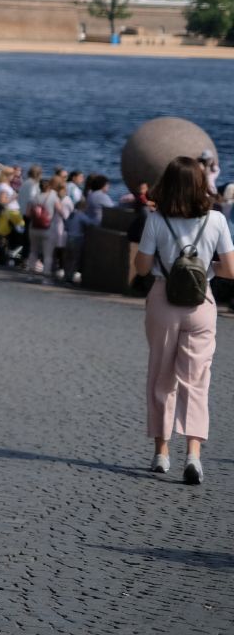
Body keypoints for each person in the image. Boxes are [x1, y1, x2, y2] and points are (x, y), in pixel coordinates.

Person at [132, 157, 234, 485]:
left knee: (162, 376)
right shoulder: (217, 219)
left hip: (164, 299)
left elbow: (144, 268)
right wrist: (204, 269)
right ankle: (194, 455)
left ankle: (162, 453)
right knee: (196, 380)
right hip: (201, 302)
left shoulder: (156, 220)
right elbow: (231, 271)